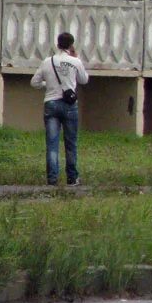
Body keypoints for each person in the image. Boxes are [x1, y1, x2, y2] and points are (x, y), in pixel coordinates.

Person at [30, 32, 89, 187]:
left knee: (52, 143)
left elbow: (34, 83)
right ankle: (72, 178)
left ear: (57, 44)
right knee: (71, 142)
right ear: (71, 45)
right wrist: (77, 58)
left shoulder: (47, 61)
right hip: (69, 105)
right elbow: (84, 80)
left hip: (51, 103)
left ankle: (52, 179)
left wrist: (47, 85)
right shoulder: (75, 61)